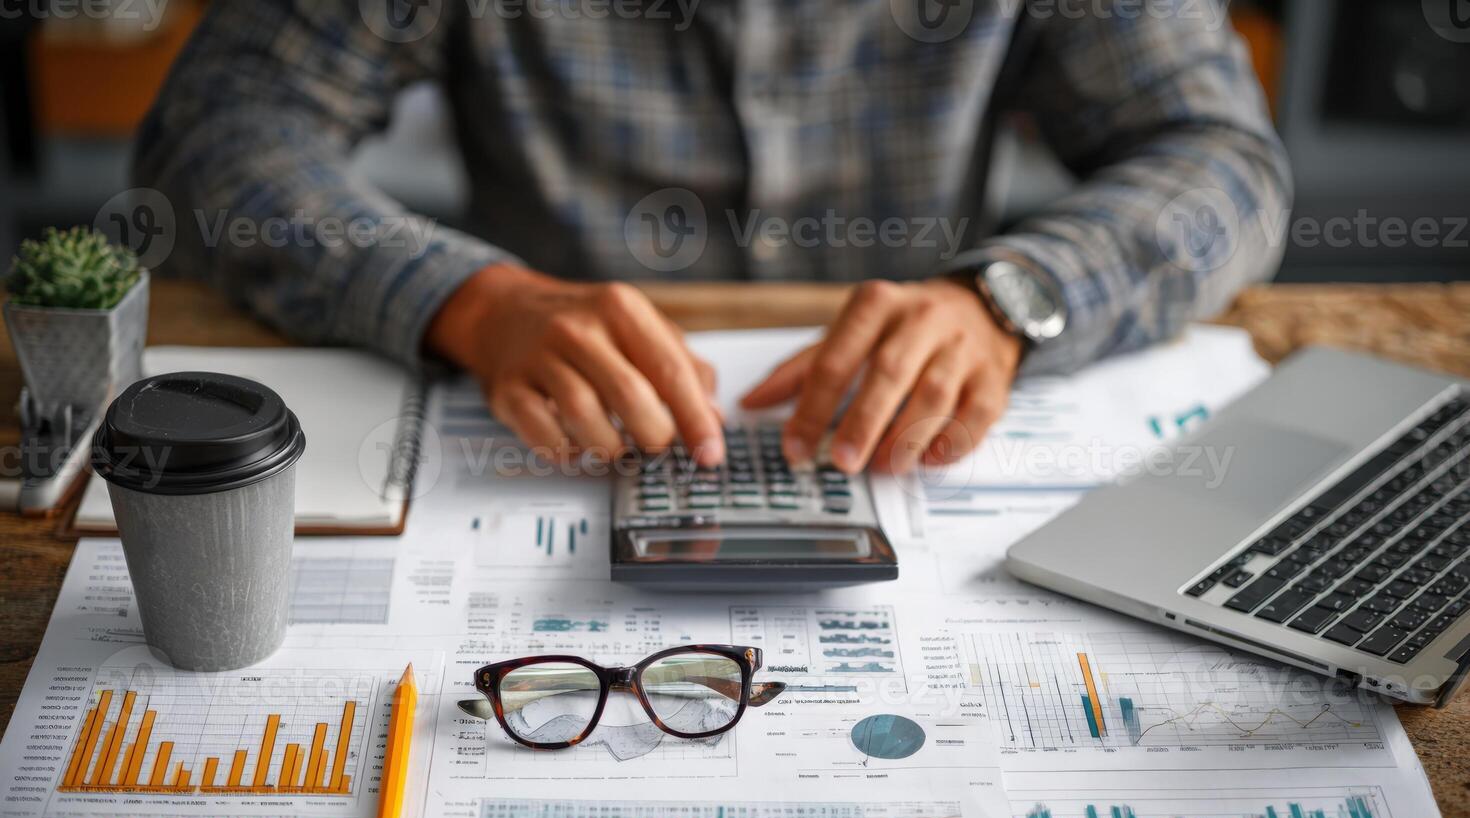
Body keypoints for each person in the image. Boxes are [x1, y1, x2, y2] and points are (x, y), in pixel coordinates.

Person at [135, 0, 1290, 474]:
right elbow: (216, 137)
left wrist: (1010, 299)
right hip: (528, 438)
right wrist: (466, 300)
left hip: (918, 459)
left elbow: (1223, 157)